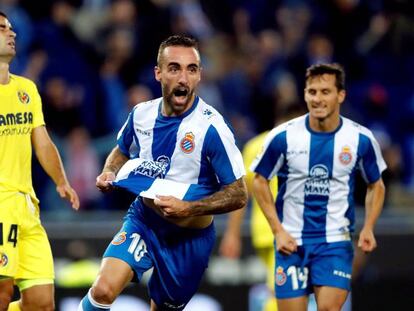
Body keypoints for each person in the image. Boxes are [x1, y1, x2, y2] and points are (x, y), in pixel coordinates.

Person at [78, 34, 247, 311]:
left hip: (188, 241)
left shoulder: (212, 128)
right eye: (174, 68)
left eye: (191, 69)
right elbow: (122, 149)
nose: (183, 78)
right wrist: (109, 171)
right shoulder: (141, 114)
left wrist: (188, 208)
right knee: (103, 290)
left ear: (199, 75)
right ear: (158, 73)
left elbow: (238, 194)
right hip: (145, 221)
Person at [251, 63, 386, 311]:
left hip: (334, 241)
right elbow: (258, 181)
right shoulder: (283, 136)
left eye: (325, 91)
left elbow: (376, 185)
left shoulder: (360, 139)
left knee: (328, 309)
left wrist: (368, 227)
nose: (318, 98)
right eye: (312, 92)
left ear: (341, 95)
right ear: (305, 94)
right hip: (291, 242)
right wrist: (277, 229)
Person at [0, 11, 80, 311]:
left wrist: (61, 181)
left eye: (11, 28)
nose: (12, 33)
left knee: (41, 303)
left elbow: (42, 141)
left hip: (27, 206)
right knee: (2, 293)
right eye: (1, 28)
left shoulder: (26, 89)